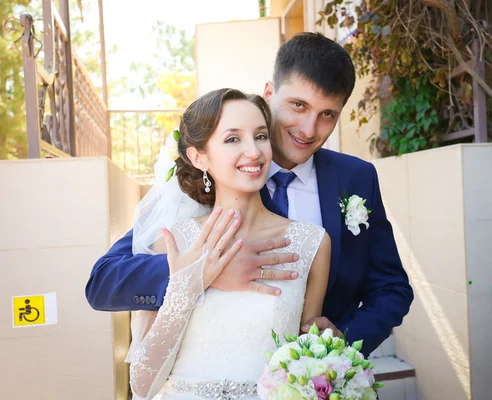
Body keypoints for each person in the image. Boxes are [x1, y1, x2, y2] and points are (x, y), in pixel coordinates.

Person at [86, 32, 413, 358]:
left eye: (328, 114)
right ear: (269, 92)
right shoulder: (205, 179)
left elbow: (391, 288)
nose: (309, 129)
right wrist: (200, 272)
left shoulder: (357, 178)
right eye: (298, 105)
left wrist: (341, 346)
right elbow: (103, 283)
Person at [127, 88, 331, 399]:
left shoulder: (312, 244)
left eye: (261, 136)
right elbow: (141, 385)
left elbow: (304, 362)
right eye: (233, 139)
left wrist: (329, 354)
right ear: (198, 156)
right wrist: (187, 286)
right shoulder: (175, 242)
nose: (254, 152)